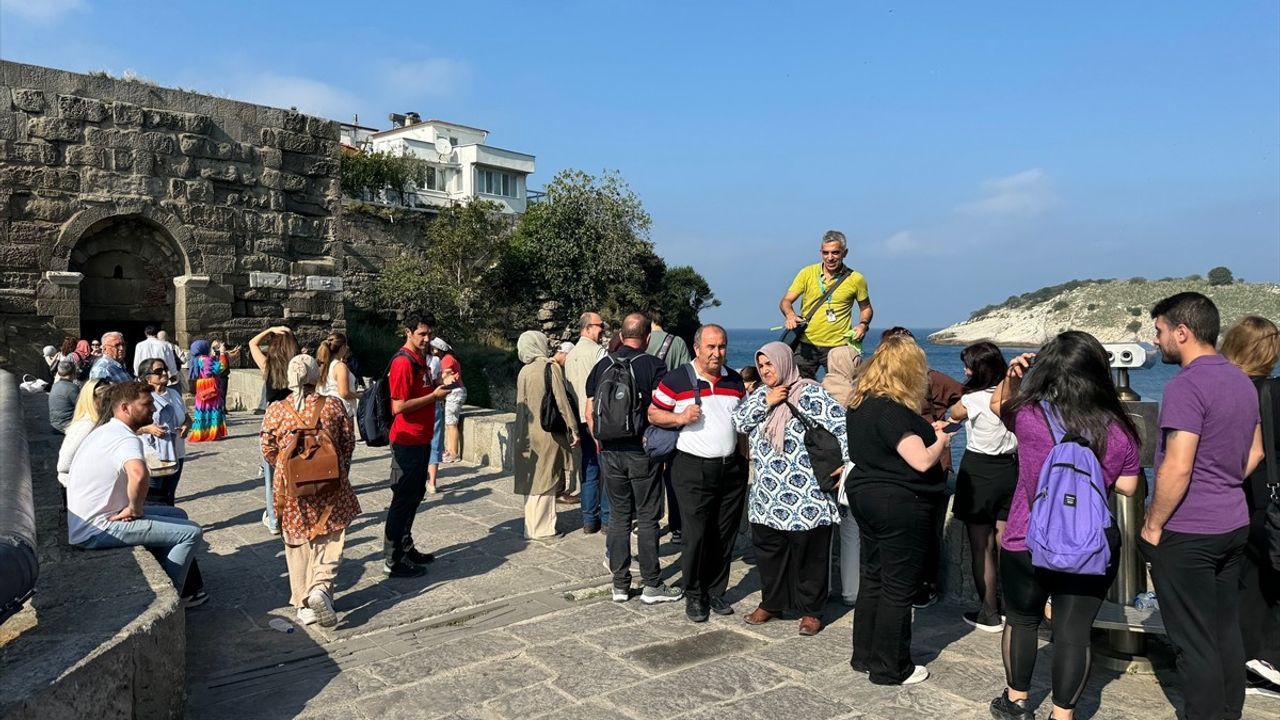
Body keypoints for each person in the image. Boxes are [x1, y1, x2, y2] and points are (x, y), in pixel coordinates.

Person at [985, 331, 1142, 720]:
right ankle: (1063, 715)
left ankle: (1017, 700)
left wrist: (1012, 376)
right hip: (1089, 545)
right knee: (1073, 634)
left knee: (1022, 621)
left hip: (1026, 537)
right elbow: (1127, 486)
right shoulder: (1117, 428)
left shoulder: (1028, 416)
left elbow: (995, 406)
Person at [1140, 293, 1264, 720]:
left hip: (1190, 531)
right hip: (1233, 521)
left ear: (1182, 332)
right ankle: (1229, 711)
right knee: (1224, 628)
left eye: (1158, 332)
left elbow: (1177, 466)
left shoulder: (1186, 386)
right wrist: (1223, 482)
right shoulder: (1240, 380)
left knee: (1192, 641)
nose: (1155, 342)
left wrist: (1153, 524)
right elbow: (1257, 452)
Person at [844, 336, 954, 686]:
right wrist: (941, 440)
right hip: (898, 502)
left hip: (866, 495)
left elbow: (888, 444)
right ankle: (891, 667)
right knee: (898, 586)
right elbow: (921, 461)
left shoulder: (861, 404)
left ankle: (865, 655)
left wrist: (925, 431)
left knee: (874, 578)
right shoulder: (892, 409)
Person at [731, 340, 844, 633]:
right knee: (769, 554)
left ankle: (812, 611)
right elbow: (739, 423)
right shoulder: (760, 396)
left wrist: (846, 465)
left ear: (784, 362)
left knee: (810, 556)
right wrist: (766, 401)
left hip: (806, 496)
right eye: (762, 365)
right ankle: (772, 602)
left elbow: (842, 426)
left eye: (771, 363)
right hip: (768, 495)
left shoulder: (810, 392)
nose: (767, 370)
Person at [651, 325, 748, 622]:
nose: (716, 353)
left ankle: (716, 591)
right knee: (695, 535)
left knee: (723, 534)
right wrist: (680, 417)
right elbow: (653, 413)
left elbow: (741, 421)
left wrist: (744, 458)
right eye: (710, 347)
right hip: (692, 467)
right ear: (697, 348)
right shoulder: (677, 379)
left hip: (730, 468)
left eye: (721, 346)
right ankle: (694, 595)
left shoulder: (734, 381)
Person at [66, 382, 203, 591]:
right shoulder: (125, 437)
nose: (154, 409)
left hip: (89, 520)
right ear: (125, 408)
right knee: (191, 533)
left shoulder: (105, 430)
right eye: (147, 404)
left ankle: (170, 572)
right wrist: (135, 509)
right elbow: (139, 475)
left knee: (178, 514)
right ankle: (173, 593)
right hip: (97, 529)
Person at [585, 312, 682, 605]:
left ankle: (620, 585)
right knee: (648, 518)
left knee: (618, 517)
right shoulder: (653, 365)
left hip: (610, 452)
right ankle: (652, 584)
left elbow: (590, 411)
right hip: (642, 452)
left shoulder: (602, 365)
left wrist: (601, 440)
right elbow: (660, 411)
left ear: (620, 334)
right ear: (648, 338)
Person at [260, 354, 360, 628]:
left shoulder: (276, 410)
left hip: (291, 488)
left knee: (297, 541)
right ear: (316, 376)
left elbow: (268, 449)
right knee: (331, 536)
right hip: (330, 482)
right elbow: (347, 442)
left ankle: (305, 603)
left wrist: (287, 468)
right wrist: (339, 467)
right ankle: (321, 587)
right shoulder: (334, 406)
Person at [881, 326, 964, 609]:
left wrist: (947, 423)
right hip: (900, 467)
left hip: (933, 465)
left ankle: (926, 585)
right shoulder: (886, 385)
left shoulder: (932, 379)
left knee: (928, 529)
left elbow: (966, 398)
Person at [1221, 315, 1280, 694]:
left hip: (1238, 498)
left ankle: (1248, 661)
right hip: (1271, 499)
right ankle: (1269, 662)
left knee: (1245, 584)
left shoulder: (1228, 391)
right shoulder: (1274, 392)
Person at [947, 342, 1018, 633]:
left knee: (981, 545)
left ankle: (989, 611)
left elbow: (952, 414)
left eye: (969, 366)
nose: (965, 370)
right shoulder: (1017, 396)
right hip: (1011, 468)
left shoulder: (974, 399)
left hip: (978, 470)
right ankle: (1014, 607)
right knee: (1006, 542)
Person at [382, 312, 454, 578]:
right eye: (421, 334)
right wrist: (434, 396)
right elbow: (398, 405)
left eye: (429, 334)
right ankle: (392, 559)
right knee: (403, 498)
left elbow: (419, 391)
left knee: (414, 496)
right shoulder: (403, 362)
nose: (426, 339)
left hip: (421, 438)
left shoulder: (419, 360)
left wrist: (438, 383)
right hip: (407, 439)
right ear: (408, 332)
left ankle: (405, 546)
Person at [778, 230, 873, 378]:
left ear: (845, 253)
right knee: (796, 387)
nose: (830, 258)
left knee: (842, 391)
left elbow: (866, 308)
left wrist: (863, 325)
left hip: (838, 346)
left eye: (835, 253)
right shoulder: (807, 273)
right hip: (806, 344)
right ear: (820, 252)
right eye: (825, 253)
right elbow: (786, 301)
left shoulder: (856, 279)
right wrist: (790, 315)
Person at [513, 331, 580, 539]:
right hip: (548, 433)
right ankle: (543, 529)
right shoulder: (550, 368)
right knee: (547, 481)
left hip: (528, 432)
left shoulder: (524, 371)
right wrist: (573, 428)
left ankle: (531, 526)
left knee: (533, 481)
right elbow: (561, 402)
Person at [647, 313, 693, 545]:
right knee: (673, 473)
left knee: (651, 472)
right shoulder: (677, 343)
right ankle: (677, 527)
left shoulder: (643, 342)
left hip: (649, 416)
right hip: (674, 416)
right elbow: (688, 374)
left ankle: (649, 522)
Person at [249, 325, 298, 534]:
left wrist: (270, 330)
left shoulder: (268, 365)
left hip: (273, 419)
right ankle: (294, 512)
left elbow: (252, 343)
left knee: (271, 472)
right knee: (295, 468)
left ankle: (274, 518)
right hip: (295, 418)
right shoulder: (298, 365)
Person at [822, 345, 861, 606]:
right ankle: (851, 592)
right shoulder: (858, 396)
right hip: (850, 470)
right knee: (851, 532)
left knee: (823, 533)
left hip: (821, 469)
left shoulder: (816, 390)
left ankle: (821, 588)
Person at [565, 312, 611, 534]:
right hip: (597, 419)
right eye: (600, 326)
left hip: (579, 419)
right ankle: (607, 518)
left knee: (588, 469)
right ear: (588, 328)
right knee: (606, 468)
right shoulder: (599, 353)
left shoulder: (571, 355)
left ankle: (589, 520)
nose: (602, 329)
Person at [142, 358, 190, 506]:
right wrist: (148, 428)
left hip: (177, 452)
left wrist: (186, 426)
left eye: (164, 370)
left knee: (169, 495)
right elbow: (128, 426)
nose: (164, 373)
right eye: (158, 371)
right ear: (147, 378)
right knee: (153, 497)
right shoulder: (142, 397)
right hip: (153, 454)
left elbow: (186, 416)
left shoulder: (174, 394)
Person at [57, 380, 111, 487]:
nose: (110, 403)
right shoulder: (88, 425)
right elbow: (64, 465)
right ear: (93, 399)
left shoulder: (94, 422)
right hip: (79, 487)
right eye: (106, 399)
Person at [433, 338, 467, 463]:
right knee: (450, 422)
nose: (433, 351)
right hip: (456, 392)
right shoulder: (450, 357)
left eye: (434, 349)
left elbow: (445, 375)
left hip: (454, 393)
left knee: (451, 423)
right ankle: (450, 451)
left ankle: (453, 453)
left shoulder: (446, 359)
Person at [187, 340, 227, 443]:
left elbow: (206, 367)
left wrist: (213, 355)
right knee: (212, 409)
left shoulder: (196, 359)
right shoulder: (205, 359)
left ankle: (202, 432)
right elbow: (220, 368)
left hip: (202, 387)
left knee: (203, 410)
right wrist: (222, 354)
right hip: (209, 388)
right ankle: (211, 433)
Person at [316, 332, 359, 418]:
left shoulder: (323, 364)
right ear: (342, 347)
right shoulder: (340, 366)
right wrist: (360, 395)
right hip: (342, 410)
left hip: (324, 408)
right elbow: (344, 393)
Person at [426, 338, 446, 495]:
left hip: (416, 405)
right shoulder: (436, 360)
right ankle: (432, 482)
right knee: (435, 441)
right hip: (433, 405)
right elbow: (440, 384)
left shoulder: (408, 359)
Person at [48, 359, 81, 433]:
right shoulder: (72, 388)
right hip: (66, 426)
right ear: (74, 373)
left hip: (55, 425)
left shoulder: (55, 385)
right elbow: (82, 407)